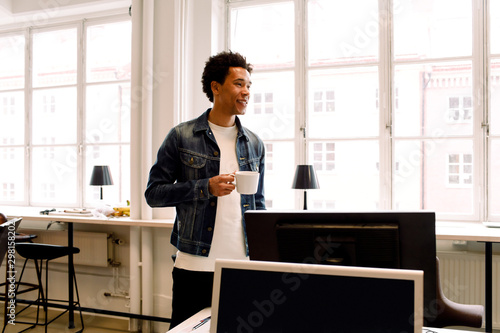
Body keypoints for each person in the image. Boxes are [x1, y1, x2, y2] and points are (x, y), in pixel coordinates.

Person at [144, 51, 266, 328]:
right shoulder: (181, 136)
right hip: (194, 265)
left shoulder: (255, 144)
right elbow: (154, 194)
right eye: (238, 84)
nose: (246, 91)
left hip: (242, 265)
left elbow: (258, 204)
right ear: (216, 87)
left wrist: (263, 256)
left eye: (249, 85)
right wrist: (204, 187)